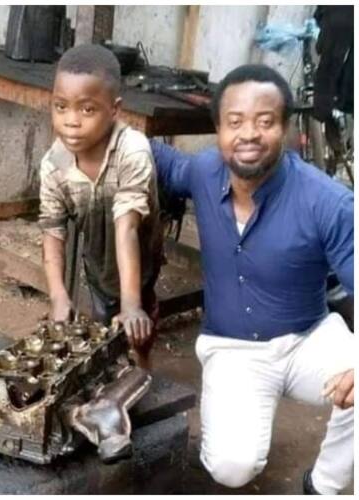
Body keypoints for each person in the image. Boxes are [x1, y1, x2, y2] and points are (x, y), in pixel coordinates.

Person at [151, 64, 354, 494]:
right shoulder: (205, 172)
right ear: (219, 131)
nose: (249, 135)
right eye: (235, 122)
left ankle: (325, 485)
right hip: (233, 348)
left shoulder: (329, 202)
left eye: (265, 122)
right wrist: (102, 130)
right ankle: (242, 419)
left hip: (308, 339)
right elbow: (162, 161)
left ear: (287, 129)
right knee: (232, 467)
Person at [38, 44, 165, 368]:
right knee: (104, 330)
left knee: (139, 329)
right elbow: (53, 231)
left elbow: (128, 227)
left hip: (140, 261)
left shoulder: (132, 151)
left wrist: (132, 303)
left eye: (87, 110)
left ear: (115, 110)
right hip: (96, 264)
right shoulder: (54, 164)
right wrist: (58, 297)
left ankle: (143, 367)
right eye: (61, 107)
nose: (71, 122)